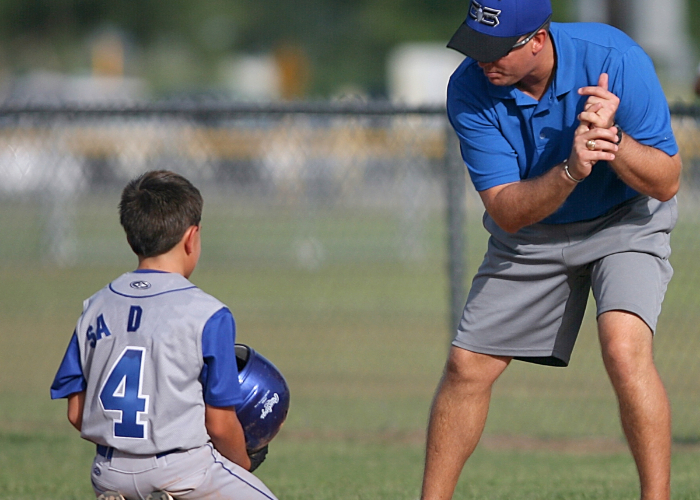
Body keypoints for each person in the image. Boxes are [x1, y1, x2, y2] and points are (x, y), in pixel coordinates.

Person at [421, 1, 681, 499]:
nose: (483, 61)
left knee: (624, 351)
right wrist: (571, 170)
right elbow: (506, 211)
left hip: (625, 219)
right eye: (475, 47)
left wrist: (613, 140)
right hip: (533, 229)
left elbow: (667, 183)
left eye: (496, 50)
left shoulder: (616, 58)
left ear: (537, 40)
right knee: (466, 367)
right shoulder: (469, 89)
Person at [50, 170, 277, 500]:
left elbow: (76, 413)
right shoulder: (208, 314)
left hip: (108, 472)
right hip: (181, 468)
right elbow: (219, 424)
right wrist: (241, 462)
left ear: (130, 239)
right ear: (192, 237)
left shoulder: (95, 307)